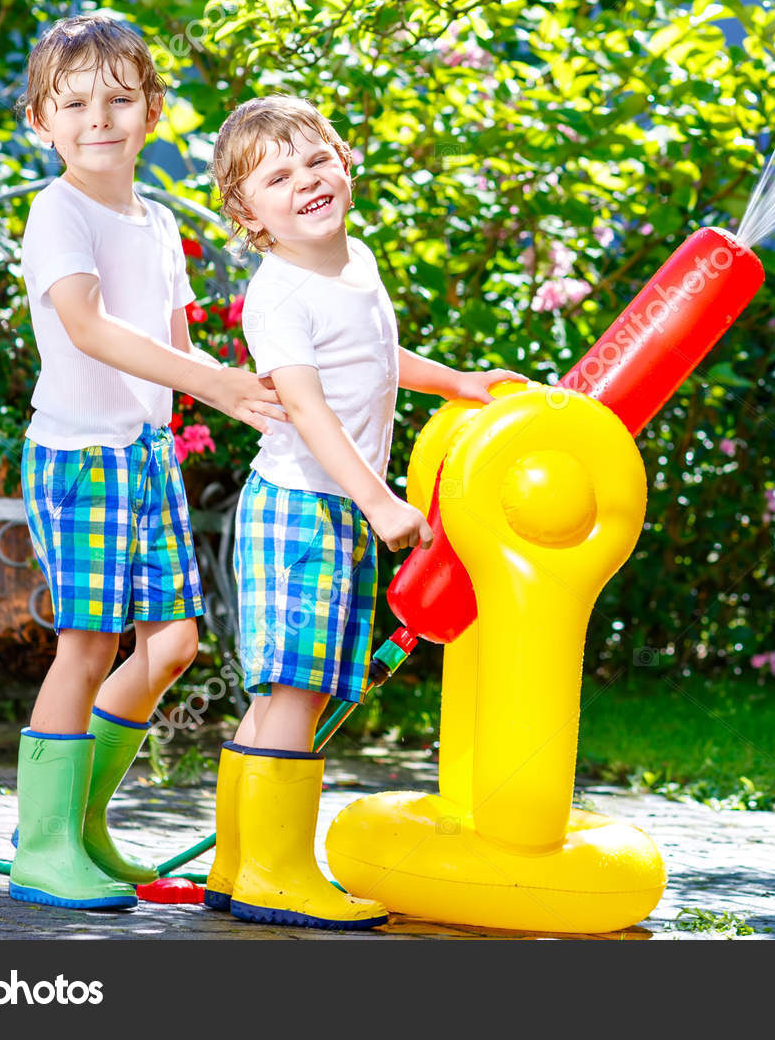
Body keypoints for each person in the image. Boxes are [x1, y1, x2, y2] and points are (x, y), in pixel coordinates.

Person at [204, 94, 522, 928]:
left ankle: (238, 868)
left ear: (345, 159)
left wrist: (454, 381)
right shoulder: (277, 295)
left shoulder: (355, 264)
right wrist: (380, 502)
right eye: (278, 177)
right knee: (296, 691)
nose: (305, 181)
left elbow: (375, 356)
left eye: (315, 159)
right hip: (307, 507)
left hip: (334, 506)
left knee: (284, 693)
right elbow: (306, 409)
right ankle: (276, 874)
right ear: (249, 215)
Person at [11, 15, 285, 909]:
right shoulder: (58, 212)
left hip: (145, 456)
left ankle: (77, 824)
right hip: (79, 457)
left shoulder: (158, 224)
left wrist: (257, 391)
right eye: (76, 102)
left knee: (171, 644)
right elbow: (89, 328)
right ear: (39, 122)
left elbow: (177, 347)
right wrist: (217, 383)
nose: (100, 118)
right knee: (86, 644)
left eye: (120, 99)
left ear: (151, 111)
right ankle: (41, 845)